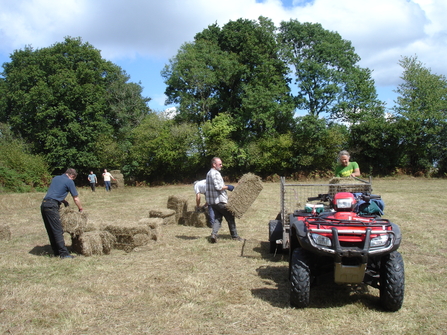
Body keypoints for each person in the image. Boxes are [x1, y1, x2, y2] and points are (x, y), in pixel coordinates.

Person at [41, 168, 83, 259]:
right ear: (72, 176)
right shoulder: (69, 181)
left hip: (44, 204)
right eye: (73, 178)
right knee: (57, 230)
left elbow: (55, 191)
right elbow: (75, 198)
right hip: (52, 206)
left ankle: (56, 252)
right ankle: (64, 254)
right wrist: (80, 208)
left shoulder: (56, 178)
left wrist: (63, 200)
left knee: (51, 230)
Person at [205, 157, 243, 243]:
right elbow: (218, 187)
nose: (221, 165)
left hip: (212, 202)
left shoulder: (208, 173)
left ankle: (214, 234)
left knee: (218, 218)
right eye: (220, 164)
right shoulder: (215, 173)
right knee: (230, 216)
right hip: (219, 201)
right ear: (214, 164)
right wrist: (228, 187)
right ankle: (235, 236)